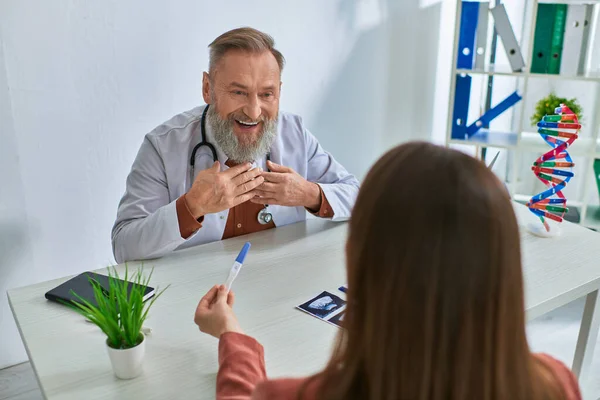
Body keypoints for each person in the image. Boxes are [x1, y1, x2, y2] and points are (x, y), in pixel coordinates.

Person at [193, 141, 582, 400]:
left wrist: (231, 335)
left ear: (356, 259)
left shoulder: (299, 395)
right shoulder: (556, 383)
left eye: (268, 92)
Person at [111, 27, 359, 263]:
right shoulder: (163, 146)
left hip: (280, 286)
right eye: (238, 92)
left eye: (266, 94)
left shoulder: (294, 134)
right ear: (208, 89)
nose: (253, 112)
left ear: (279, 93)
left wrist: (308, 194)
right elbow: (124, 245)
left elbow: (358, 197)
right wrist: (191, 206)